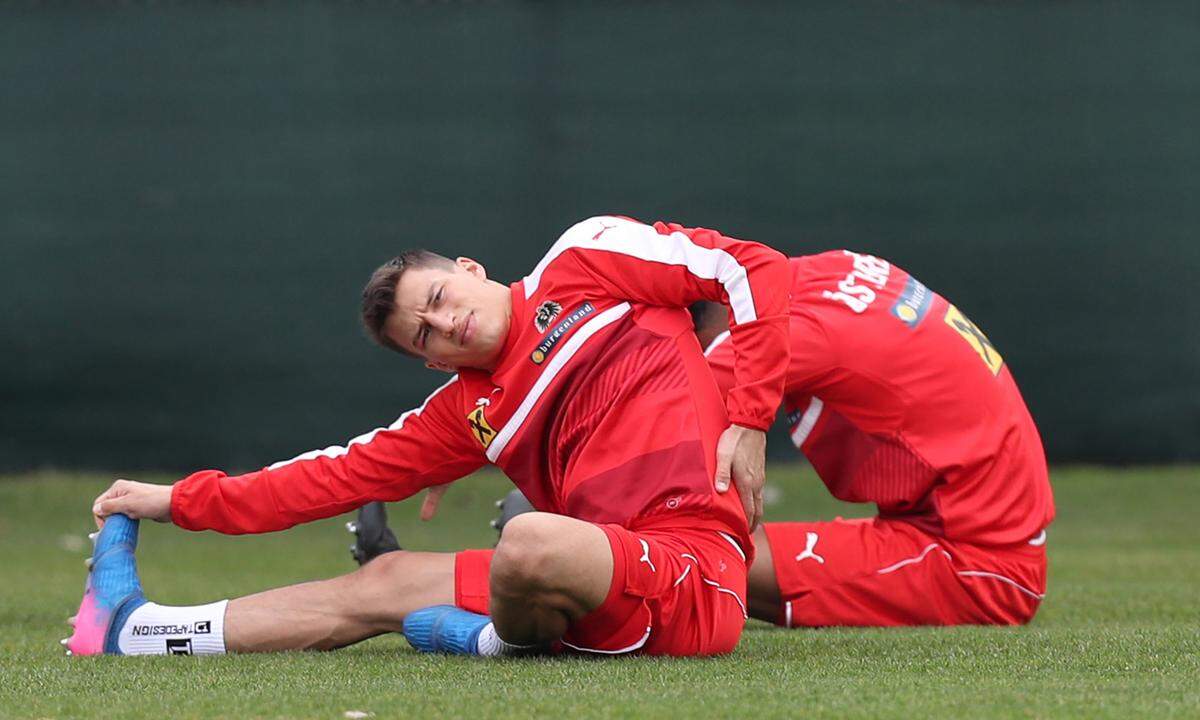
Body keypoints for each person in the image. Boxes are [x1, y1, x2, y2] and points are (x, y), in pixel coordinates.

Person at [65, 215, 790, 658]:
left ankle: (491, 639)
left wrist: (752, 419)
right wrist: (178, 501)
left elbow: (747, 266)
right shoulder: (465, 413)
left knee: (531, 540)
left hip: (694, 577)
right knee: (385, 579)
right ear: (432, 362)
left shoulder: (585, 258)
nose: (444, 323)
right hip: (592, 571)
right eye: (425, 335)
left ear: (471, 271)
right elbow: (327, 478)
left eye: (439, 299)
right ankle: (140, 631)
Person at [377, 249, 1053, 628]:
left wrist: (500, 447)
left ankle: (447, 586)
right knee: (664, 545)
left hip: (980, 562)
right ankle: (495, 569)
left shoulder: (756, 349)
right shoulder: (816, 275)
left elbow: (648, 432)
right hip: (951, 514)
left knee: (691, 564)